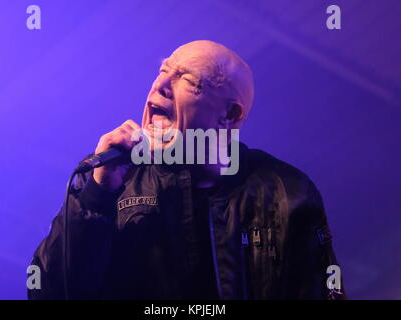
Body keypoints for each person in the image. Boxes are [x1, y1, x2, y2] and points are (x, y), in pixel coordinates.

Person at [28, 40, 346, 300]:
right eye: (162, 71)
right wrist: (97, 196)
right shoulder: (110, 177)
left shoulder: (284, 190)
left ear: (230, 115)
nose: (161, 85)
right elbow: (48, 291)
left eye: (188, 80)